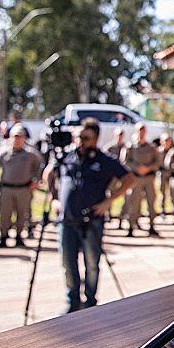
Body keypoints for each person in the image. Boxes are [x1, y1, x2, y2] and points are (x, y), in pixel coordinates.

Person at [45, 118, 135, 313]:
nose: (81, 142)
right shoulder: (67, 157)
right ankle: (72, 300)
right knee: (68, 263)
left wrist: (108, 202)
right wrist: (54, 198)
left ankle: (91, 301)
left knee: (92, 264)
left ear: (96, 139)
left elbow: (129, 180)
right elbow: (48, 174)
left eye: (86, 138)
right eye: (79, 137)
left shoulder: (104, 160)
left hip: (92, 222)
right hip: (67, 221)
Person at [0, 124, 43, 248]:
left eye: (20, 137)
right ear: (10, 137)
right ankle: (3, 236)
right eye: (15, 137)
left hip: (24, 188)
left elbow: (40, 166)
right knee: (5, 214)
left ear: (24, 138)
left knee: (22, 214)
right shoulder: (3, 153)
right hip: (7, 188)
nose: (17, 139)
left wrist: (36, 180)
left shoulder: (30, 154)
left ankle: (19, 236)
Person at [122, 122, 160, 237]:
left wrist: (148, 168)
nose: (141, 132)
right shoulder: (131, 147)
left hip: (148, 178)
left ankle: (152, 225)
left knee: (151, 201)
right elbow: (125, 161)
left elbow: (157, 162)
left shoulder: (151, 147)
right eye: (139, 130)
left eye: (143, 130)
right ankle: (131, 225)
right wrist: (136, 168)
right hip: (136, 178)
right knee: (134, 202)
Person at [156, 132, 174, 216]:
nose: (166, 142)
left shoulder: (173, 151)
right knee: (162, 192)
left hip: (171, 173)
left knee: (173, 192)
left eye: (168, 141)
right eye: (165, 141)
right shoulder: (158, 151)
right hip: (161, 174)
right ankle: (162, 210)